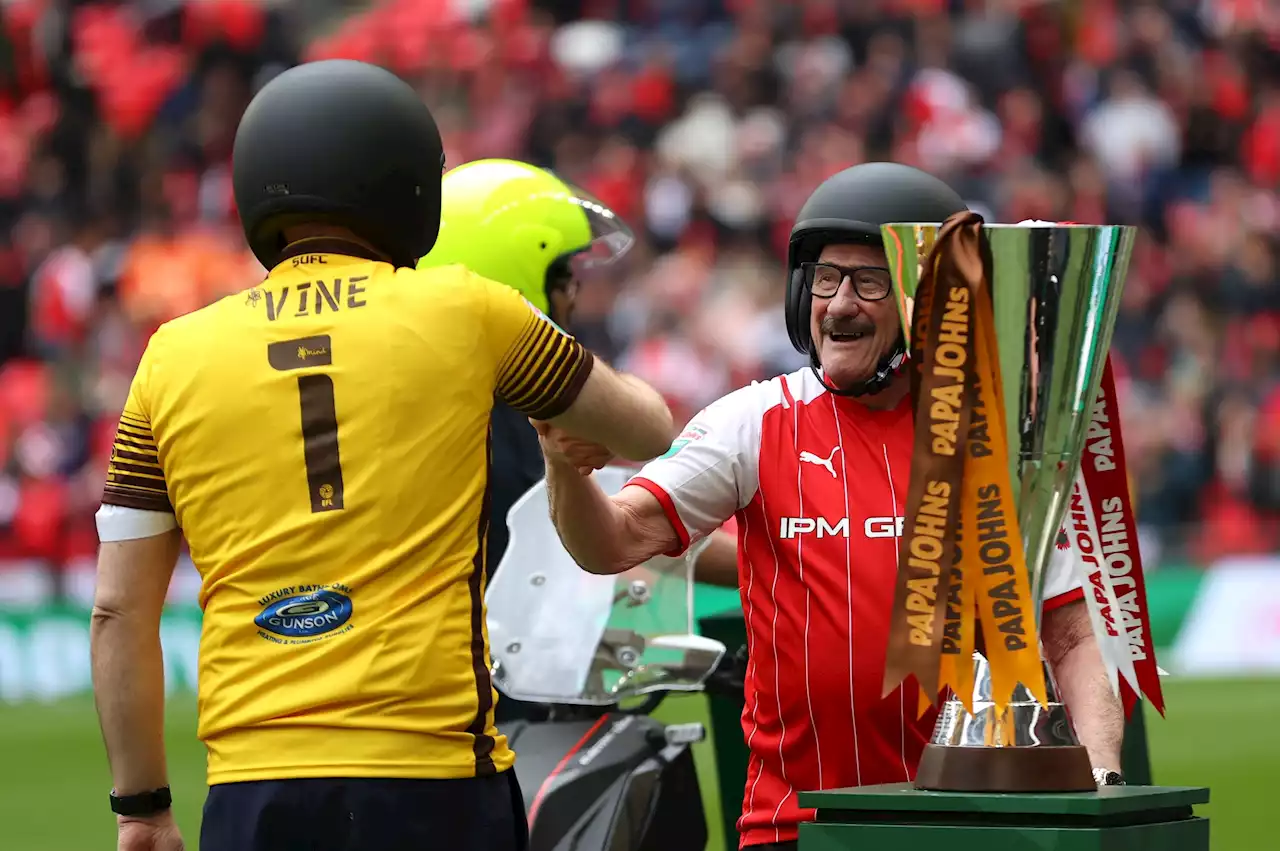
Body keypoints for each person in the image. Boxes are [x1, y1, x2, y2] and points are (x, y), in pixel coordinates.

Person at [89, 60, 674, 851]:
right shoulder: (467, 310)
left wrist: (144, 806)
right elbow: (648, 430)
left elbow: (118, 609)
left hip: (254, 783)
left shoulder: (170, 356)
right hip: (432, 773)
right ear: (406, 185)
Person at [537, 162, 1125, 850]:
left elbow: (1074, 637)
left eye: (869, 281)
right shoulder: (753, 422)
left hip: (970, 829)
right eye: (824, 278)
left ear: (925, 300)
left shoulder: (992, 443)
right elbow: (609, 542)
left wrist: (1104, 782)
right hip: (793, 831)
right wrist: (563, 465)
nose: (839, 303)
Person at [417, 158, 633, 724]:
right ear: (517, 280)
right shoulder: (520, 415)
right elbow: (611, 526)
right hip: (509, 704)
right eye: (563, 277)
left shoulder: (435, 397)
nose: (575, 297)